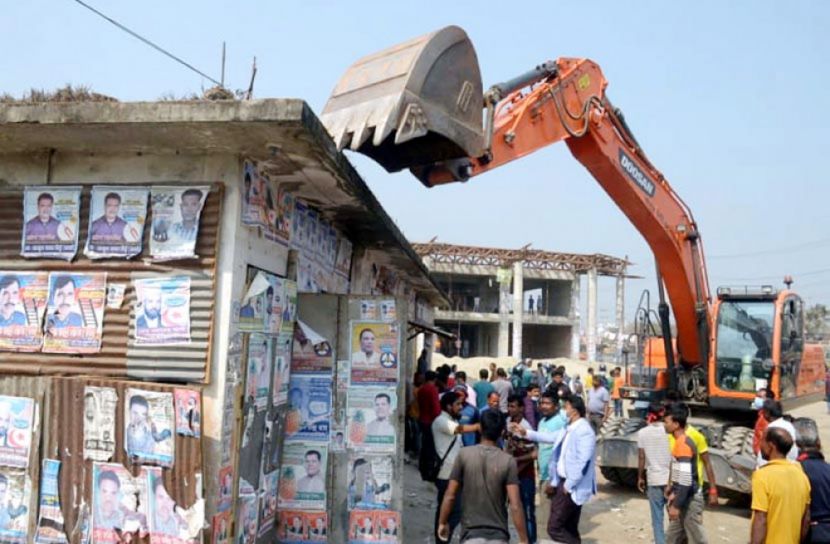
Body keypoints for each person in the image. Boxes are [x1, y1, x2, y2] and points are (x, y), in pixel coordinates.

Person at [511, 395, 596, 544]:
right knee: (569, 527)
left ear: (574, 410)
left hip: (571, 485)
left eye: (566, 407)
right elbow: (549, 437)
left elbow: (583, 462)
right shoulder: (568, 428)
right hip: (564, 482)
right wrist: (526, 433)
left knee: (554, 527)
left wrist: (569, 485)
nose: (564, 410)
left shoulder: (584, 430)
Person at [438, 409, 529, 544]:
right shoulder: (508, 461)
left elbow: (450, 495)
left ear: (480, 428)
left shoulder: (464, 455)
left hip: (470, 534)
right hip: (499, 535)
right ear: (502, 432)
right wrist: (523, 539)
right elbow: (515, 505)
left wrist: (442, 523)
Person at [431, 391, 480, 543]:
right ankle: (442, 538)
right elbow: (459, 430)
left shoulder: (451, 420)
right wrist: (478, 426)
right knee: (452, 512)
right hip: (446, 474)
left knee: (450, 511)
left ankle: (443, 537)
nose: (460, 407)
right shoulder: (441, 421)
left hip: (453, 473)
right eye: (458, 404)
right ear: (448, 406)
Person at [751, 427, 811, 544]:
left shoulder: (762, 476)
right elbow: (806, 519)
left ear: (771, 445)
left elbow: (761, 518)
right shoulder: (801, 476)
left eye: (762, 440)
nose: (760, 445)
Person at [663, 403, 706, 544]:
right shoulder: (680, 442)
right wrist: (673, 489)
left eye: (666, 422)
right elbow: (680, 473)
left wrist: (676, 505)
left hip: (689, 501)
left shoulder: (683, 445)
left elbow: (686, 480)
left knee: (696, 539)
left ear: (676, 424)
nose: (664, 425)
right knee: (672, 538)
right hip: (683, 497)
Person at [637, 403, 672, 544]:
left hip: (653, 479)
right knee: (674, 517)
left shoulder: (642, 433)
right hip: (670, 479)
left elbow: (641, 457)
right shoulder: (669, 431)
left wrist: (640, 476)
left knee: (657, 518)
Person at [506, 394, 537, 543]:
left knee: (527, 511)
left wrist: (517, 464)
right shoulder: (507, 422)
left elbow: (533, 454)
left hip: (525, 475)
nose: (510, 409)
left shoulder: (526, 427)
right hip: (510, 474)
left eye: (513, 406)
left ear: (521, 408)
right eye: (509, 406)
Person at [794, 417, 830, 543]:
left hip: (810, 533)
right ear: (818, 443)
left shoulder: (796, 472)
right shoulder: (827, 469)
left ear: (796, 445)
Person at [758, 399, 798, 466]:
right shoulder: (789, 425)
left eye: (763, 412)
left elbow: (764, 455)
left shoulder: (770, 429)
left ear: (767, 413)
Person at [753, 389, 773, 456]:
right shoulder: (762, 415)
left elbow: (762, 439)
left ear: (766, 399)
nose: (756, 399)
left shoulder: (765, 418)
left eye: (759, 397)